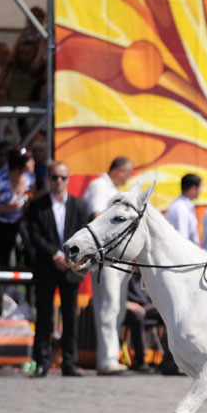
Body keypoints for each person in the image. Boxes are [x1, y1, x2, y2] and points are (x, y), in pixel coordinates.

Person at [25, 161, 90, 377]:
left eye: (62, 177)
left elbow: (83, 235)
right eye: (54, 177)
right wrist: (55, 254)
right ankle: (42, 362)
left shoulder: (79, 206)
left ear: (69, 179)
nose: (58, 181)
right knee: (44, 316)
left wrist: (70, 259)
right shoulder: (37, 205)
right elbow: (34, 236)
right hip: (46, 266)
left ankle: (69, 362)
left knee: (70, 317)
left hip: (71, 269)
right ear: (48, 179)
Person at [82, 155, 133, 375]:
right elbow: (96, 216)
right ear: (120, 170)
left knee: (118, 308)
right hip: (106, 256)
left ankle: (112, 355)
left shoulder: (114, 189)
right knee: (108, 306)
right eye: (128, 172)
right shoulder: (100, 186)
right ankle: (106, 359)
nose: (128, 177)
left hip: (120, 258)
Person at [0, 146, 34, 318]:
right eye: (30, 160)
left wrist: (27, 202)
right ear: (21, 163)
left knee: (8, 262)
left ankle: (2, 303)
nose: (33, 163)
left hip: (16, 224)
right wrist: (6, 208)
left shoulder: (29, 178)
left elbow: (32, 193)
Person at [165, 173, 201, 245]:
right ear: (194, 188)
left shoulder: (183, 206)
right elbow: (182, 239)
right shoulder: (180, 208)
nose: (201, 191)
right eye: (200, 187)